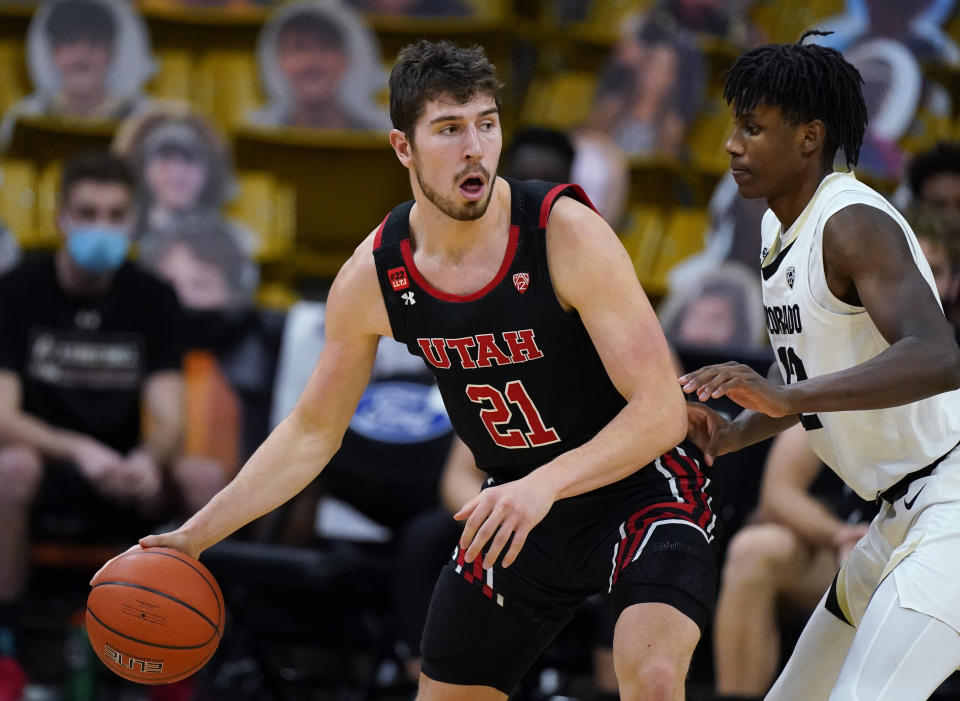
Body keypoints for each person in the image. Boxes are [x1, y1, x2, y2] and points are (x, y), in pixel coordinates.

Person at [108, 40, 718, 700]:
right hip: (513, 508)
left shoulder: (564, 233)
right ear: (404, 147)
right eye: (450, 130)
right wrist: (193, 537)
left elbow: (659, 408)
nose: (475, 148)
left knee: (651, 677)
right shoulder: (375, 273)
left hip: (638, 491)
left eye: (486, 123)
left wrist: (545, 483)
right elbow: (312, 432)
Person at [680, 32, 960, 701]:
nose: (731, 144)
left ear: (809, 137)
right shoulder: (783, 234)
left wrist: (786, 395)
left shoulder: (852, 221)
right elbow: (821, 377)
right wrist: (733, 432)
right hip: (898, 513)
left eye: (753, 128)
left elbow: (939, 355)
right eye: (733, 126)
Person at [0, 152, 226, 689]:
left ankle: (187, 658)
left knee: (204, 478)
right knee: (9, 468)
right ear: (61, 219)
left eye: (115, 215)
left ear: (132, 223)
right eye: (88, 213)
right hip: (49, 467)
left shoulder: (153, 297)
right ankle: (4, 641)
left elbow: (170, 414)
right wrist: (78, 449)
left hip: (127, 471)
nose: (101, 227)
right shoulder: (16, 290)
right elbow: (3, 416)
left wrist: (151, 458)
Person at [712, 424, 875, 700]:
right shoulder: (840, 392)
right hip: (849, 546)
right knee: (754, 550)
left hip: (926, 548)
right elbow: (778, 493)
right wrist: (839, 534)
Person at [0, 0, 154, 149]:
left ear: (112, 53)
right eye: (70, 43)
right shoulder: (26, 120)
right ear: (53, 53)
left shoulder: (141, 120)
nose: (81, 56)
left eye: (94, 43)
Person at [249, 0, 391, 131]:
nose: (312, 62)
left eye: (325, 47)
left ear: (347, 59)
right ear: (279, 60)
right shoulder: (257, 134)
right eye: (298, 48)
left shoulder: (382, 137)